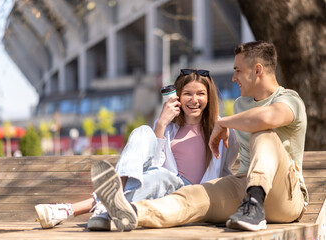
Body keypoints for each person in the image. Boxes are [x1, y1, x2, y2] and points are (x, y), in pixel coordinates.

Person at [91, 40, 308, 232]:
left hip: (284, 196)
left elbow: (268, 118)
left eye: (238, 70)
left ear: (257, 70)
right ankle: (125, 213)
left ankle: (254, 202)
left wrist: (223, 122)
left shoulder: (289, 100)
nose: (233, 77)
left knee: (264, 135)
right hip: (241, 186)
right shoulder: (242, 104)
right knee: (191, 197)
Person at [34, 69, 239, 230]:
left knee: (162, 176)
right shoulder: (167, 125)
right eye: (188, 94)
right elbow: (153, 165)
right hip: (158, 184)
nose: (194, 100)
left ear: (209, 97)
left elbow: (228, 169)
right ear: (177, 96)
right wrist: (160, 125)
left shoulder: (221, 128)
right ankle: (110, 202)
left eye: (200, 94)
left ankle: (77, 209)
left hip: (191, 197)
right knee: (143, 132)